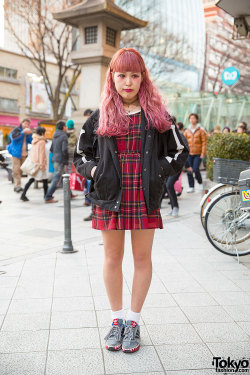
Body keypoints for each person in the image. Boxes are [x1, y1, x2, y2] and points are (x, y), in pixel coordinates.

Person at [74, 48, 189, 353]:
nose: (128, 81)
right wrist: (96, 170)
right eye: (121, 74)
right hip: (109, 195)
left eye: (134, 75)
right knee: (112, 258)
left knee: (141, 259)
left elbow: (179, 152)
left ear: (143, 78)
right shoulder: (99, 116)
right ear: (111, 76)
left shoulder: (158, 116)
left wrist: (157, 173)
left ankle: (133, 322)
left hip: (142, 195)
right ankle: (116, 320)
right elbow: (80, 155)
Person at [20, 127, 48, 201]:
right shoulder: (42, 141)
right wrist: (42, 165)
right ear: (42, 133)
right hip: (39, 164)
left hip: (33, 163)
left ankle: (23, 195)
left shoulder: (34, 140)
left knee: (31, 179)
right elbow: (41, 154)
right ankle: (46, 197)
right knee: (45, 180)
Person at [44, 120, 68, 203]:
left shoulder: (55, 135)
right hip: (60, 159)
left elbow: (51, 149)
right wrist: (66, 159)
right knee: (56, 178)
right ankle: (48, 196)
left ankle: (69, 194)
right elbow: (64, 149)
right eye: (66, 126)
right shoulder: (64, 136)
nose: (67, 128)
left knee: (65, 177)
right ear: (64, 127)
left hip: (54, 159)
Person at [7, 118, 32, 192]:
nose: (26, 125)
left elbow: (31, 141)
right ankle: (17, 186)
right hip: (16, 153)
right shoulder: (16, 130)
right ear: (22, 123)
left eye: (28, 124)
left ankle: (16, 183)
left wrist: (30, 134)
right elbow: (14, 138)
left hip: (24, 154)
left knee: (21, 170)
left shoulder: (27, 132)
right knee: (16, 170)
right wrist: (23, 133)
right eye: (25, 123)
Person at [184, 113, 207, 193]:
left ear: (197, 119)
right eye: (190, 118)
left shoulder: (201, 130)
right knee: (189, 170)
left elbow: (204, 142)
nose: (192, 120)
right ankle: (191, 186)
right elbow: (184, 143)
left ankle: (200, 183)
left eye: (193, 118)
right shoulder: (187, 131)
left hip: (198, 154)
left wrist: (203, 153)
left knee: (195, 169)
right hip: (189, 154)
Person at [82, 109, 95, 221]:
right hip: (89, 165)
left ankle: (93, 211)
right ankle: (91, 209)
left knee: (93, 187)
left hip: (98, 165)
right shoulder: (85, 129)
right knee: (89, 186)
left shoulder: (97, 126)